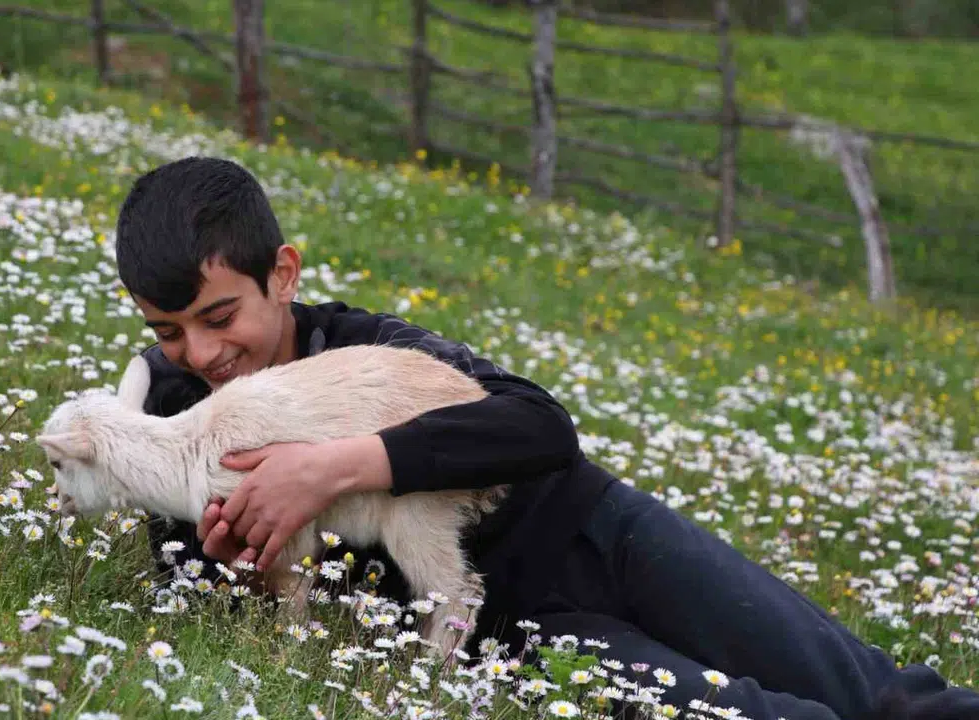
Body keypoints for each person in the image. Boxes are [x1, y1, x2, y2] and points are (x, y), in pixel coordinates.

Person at [112, 156, 978, 720]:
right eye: (168, 331)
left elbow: (537, 424)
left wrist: (331, 468)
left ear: (283, 275)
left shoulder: (361, 344)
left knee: (872, 692)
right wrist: (245, 574)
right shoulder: (172, 423)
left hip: (601, 532)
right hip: (513, 634)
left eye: (219, 317)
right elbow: (202, 596)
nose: (203, 353)